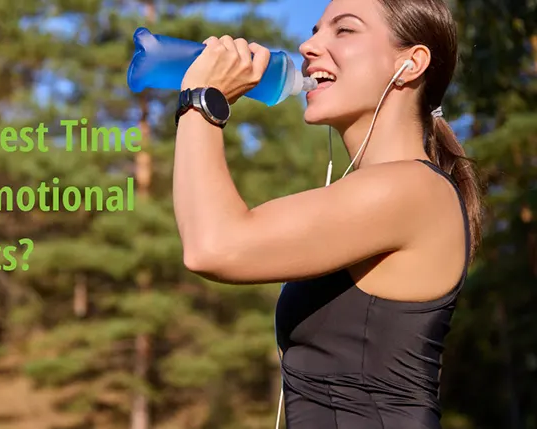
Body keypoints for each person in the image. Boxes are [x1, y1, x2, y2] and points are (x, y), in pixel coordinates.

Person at [172, 0, 483, 427]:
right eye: (316, 30)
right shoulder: (379, 192)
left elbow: (213, 246)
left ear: (411, 63)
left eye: (344, 30)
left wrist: (202, 101)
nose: (308, 45)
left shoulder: (412, 189)